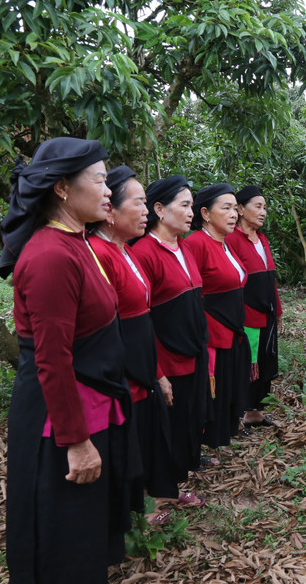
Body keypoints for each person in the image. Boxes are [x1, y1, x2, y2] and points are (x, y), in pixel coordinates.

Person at [0, 137, 134, 584]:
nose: (108, 191)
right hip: (58, 418)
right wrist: (76, 442)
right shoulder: (51, 255)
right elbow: (51, 359)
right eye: (98, 180)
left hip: (90, 401)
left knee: (78, 527)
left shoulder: (78, 242)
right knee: (55, 527)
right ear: (61, 188)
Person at [91, 167, 203, 524]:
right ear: (109, 208)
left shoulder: (123, 250)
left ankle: (158, 498)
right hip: (130, 368)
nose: (143, 210)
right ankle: (139, 513)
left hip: (148, 364)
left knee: (157, 436)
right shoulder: (104, 253)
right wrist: (154, 370)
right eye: (138, 202)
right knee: (141, 441)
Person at [131, 176, 210, 478]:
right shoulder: (144, 253)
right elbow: (144, 317)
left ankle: (184, 469)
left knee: (190, 416)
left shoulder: (185, 248)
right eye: (185, 205)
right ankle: (166, 487)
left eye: (192, 205)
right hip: (167, 358)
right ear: (160, 209)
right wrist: (158, 370)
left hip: (194, 352)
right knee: (169, 423)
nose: (192, 212)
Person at [183, 184, 249, 454]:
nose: (234, 214)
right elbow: (190, 292)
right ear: (206, 214)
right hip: (213, 333)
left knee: (229, 390)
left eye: (235, 208)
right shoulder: (196, 243)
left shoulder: (225, 243)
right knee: (213, 391)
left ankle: (221, 437)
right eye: (226, 208)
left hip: (232, 328)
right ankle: (204, 442)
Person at [225, 185, 282, 429]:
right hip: (247, 315)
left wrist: (278, 310)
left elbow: (270, 278)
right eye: (258, 206)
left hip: (267, 312)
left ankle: (256, 413)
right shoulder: (232, 240)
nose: (263, 212)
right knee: (248, 364)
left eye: (265, 207)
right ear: (240, 209)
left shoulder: (263, 239)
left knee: (266, 361)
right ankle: (237, 414)